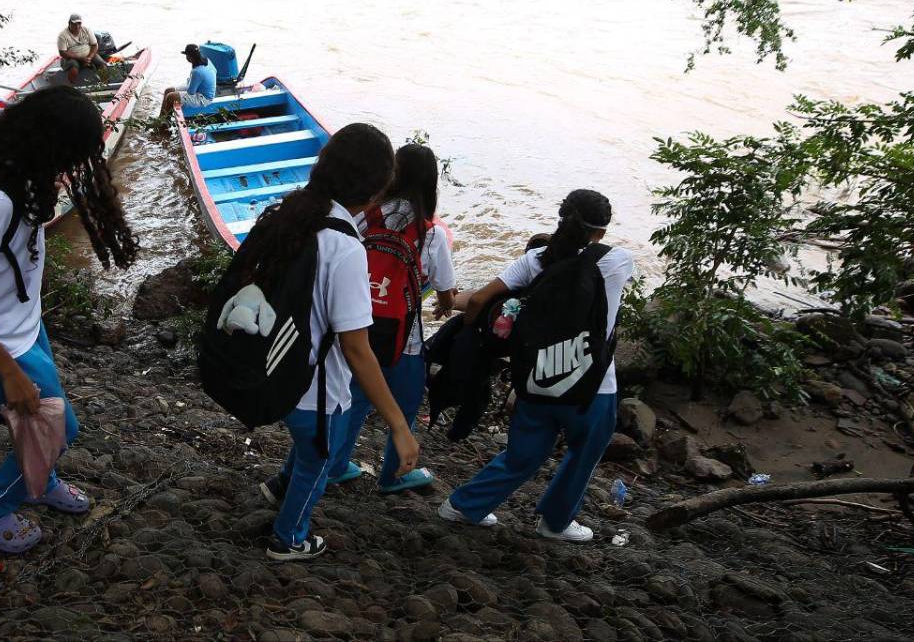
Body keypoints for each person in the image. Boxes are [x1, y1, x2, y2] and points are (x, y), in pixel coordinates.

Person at [0, 86, 138, 554]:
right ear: (51, 146)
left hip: (23, 325)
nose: (76, 167)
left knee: (45, 423)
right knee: (60, 428)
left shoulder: (16, 170)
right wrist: (8, 372)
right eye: (74, 155)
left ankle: (42, 479)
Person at [253, 124, 421, 561]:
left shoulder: (288, 212)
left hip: (273, 366)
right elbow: (357, 350)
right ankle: (289, 538)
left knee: (306, 445)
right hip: (318, 389)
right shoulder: (345, 248)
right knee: (319, 460)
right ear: (377, 189)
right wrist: (399, 426)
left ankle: (277, 488)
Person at [438, 189, 634, 542]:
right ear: (602, 231)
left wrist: (470, 342)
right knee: (583, 454)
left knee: (522, 455)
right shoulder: (617, 260)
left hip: (536, 379)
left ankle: (463, 505)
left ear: (561, 218)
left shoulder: (535, 261)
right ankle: (555, 523)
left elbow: (481, 299)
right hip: (591, 387)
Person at [327, 143, 456, 493]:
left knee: (352, 399)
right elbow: (446, 287)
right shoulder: (432, 233)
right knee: (407, 402)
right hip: (403, 338)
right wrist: (444, 305)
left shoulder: (363, 215)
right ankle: (393, 474)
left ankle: (335, 465)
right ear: (431, 183)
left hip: (353, 324)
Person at [161, 44, 217, 114]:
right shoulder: (207, 60)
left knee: (170, 96)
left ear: (190, 57)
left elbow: (191, 92)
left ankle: (164, 123)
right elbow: (215, 71)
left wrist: (179, 92)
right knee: (168, 90)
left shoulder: (197, 71)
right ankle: (162, 119)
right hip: (200, 89)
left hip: (204, 98)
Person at [57, 14, 107, 84]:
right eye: (74, 24)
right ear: (69, 23)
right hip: (70, 57)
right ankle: (72, 85)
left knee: (102, 64)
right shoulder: (62, 35)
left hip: (88, 55)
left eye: (79, 23)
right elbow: (62, 53)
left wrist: (89, 57)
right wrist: (80, 58)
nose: (77, 26)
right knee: (73, 67)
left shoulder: (87, 30)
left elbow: (94, 45)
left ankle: (105, 84)